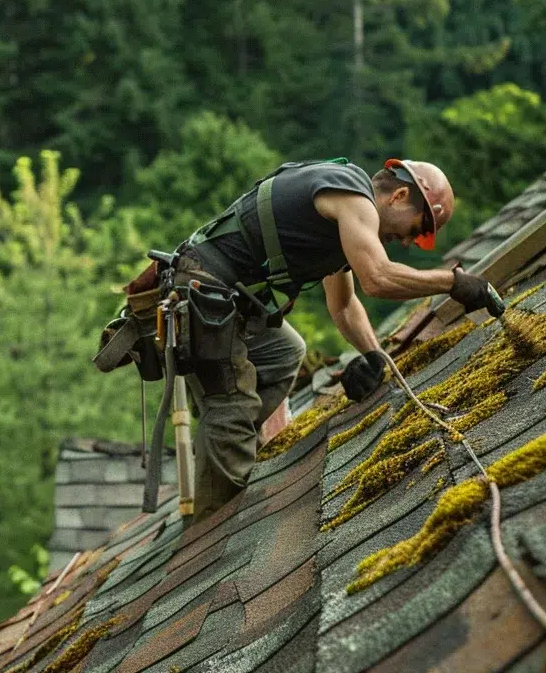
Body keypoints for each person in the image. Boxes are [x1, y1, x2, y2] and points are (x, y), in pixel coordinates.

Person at [149, 157, 501, 522]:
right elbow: (377, 278)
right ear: (398, 195)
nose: (409, 240)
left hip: (222, 303)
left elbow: (345, 305)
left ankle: (224, 452)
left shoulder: (342, 218)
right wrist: (453, 282)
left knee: (285, 351)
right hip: (201, 295)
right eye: (417, 227)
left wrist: (375, 356)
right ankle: (210, 532)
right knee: (232, 407)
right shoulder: (352, 196)